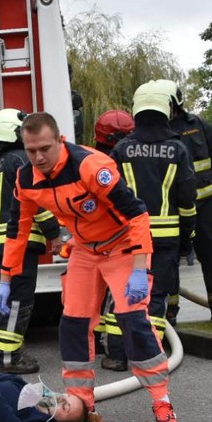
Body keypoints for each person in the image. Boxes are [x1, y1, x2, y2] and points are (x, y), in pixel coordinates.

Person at [0, 112, 183, 422]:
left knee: (132, 321)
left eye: (44, 148)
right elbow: (18, 230)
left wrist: (140, 270)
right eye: (30, 150)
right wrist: (6, 279)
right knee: (74, 323)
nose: (38, 157)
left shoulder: (90, 167)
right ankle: (81, 407)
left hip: (123, 246)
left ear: (59, 141)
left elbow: (137, 214)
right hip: (85, 250)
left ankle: (162, 403)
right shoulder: (25, 179)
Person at [100, 83, 198, 371]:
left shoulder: (120, 149)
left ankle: (116, 355)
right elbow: (187, 200)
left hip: (127, 238)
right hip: (166, 240)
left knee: (121, 294)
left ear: (137, 112)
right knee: (155, 299)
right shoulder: (178, 149)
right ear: (166, 111)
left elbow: (107, 196)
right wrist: (187, 237)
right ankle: (149, 356)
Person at [0, 108, 60, 374]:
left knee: (5, 302)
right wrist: (54, 234)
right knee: (19, 301)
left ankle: (8, 353)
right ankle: (8, 358)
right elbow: (37, 200)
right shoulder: (23, 164)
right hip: (20, 243)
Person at [159, 79, 212, 323]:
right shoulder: (155, 131)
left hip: (204, 205)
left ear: (175, 103)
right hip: (172, 209)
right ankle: (168, 314)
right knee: (169, 260)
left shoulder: (198, 125)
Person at [90, 109, 137, 365]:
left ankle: (99, 343)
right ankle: (117, 352)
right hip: (120, 238)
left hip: (93, 240)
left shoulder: (89, 160)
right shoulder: (125, 162)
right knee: (117, 297)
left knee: (96, 295)